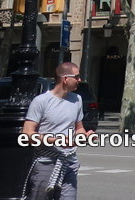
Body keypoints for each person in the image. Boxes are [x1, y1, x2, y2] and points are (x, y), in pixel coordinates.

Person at [23, 61, 87, 200]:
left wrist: (84, 136)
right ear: (65, 79)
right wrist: (57, 140)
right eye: (76, 77)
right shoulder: (41, 101)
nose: (79, 80)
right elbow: (27, 134)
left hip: (68, 161)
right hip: (45, 162)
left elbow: (79, 128)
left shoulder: (77, 99)